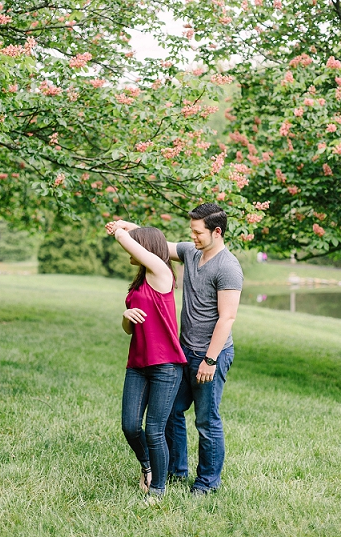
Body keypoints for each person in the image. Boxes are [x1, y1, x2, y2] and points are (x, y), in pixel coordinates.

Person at [115, 203, 243, 495]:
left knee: (206, 420)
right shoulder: (192, 252)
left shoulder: (228, 267)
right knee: (172, 412)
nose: (193, 237)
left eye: (198, 232)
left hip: (211, 354)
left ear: (217, 232)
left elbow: (227, 317)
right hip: (184, 351)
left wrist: (210, 360)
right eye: (192, 231)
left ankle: (207, 483)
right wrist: (129, 226)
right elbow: (157, 246)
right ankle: (175, 470)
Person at [105, 223, 187, 502]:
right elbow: (130, 329)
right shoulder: (140, 281)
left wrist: (119, 230)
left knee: (154, 430)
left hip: (165, 366)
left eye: (138, 244)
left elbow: (130, 243)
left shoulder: (162, 273)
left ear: (146, 249)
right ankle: (147, 465)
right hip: (138, 364)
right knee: (130, 426)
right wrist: (126, 317)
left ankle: (158, 491)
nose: (131, 248)